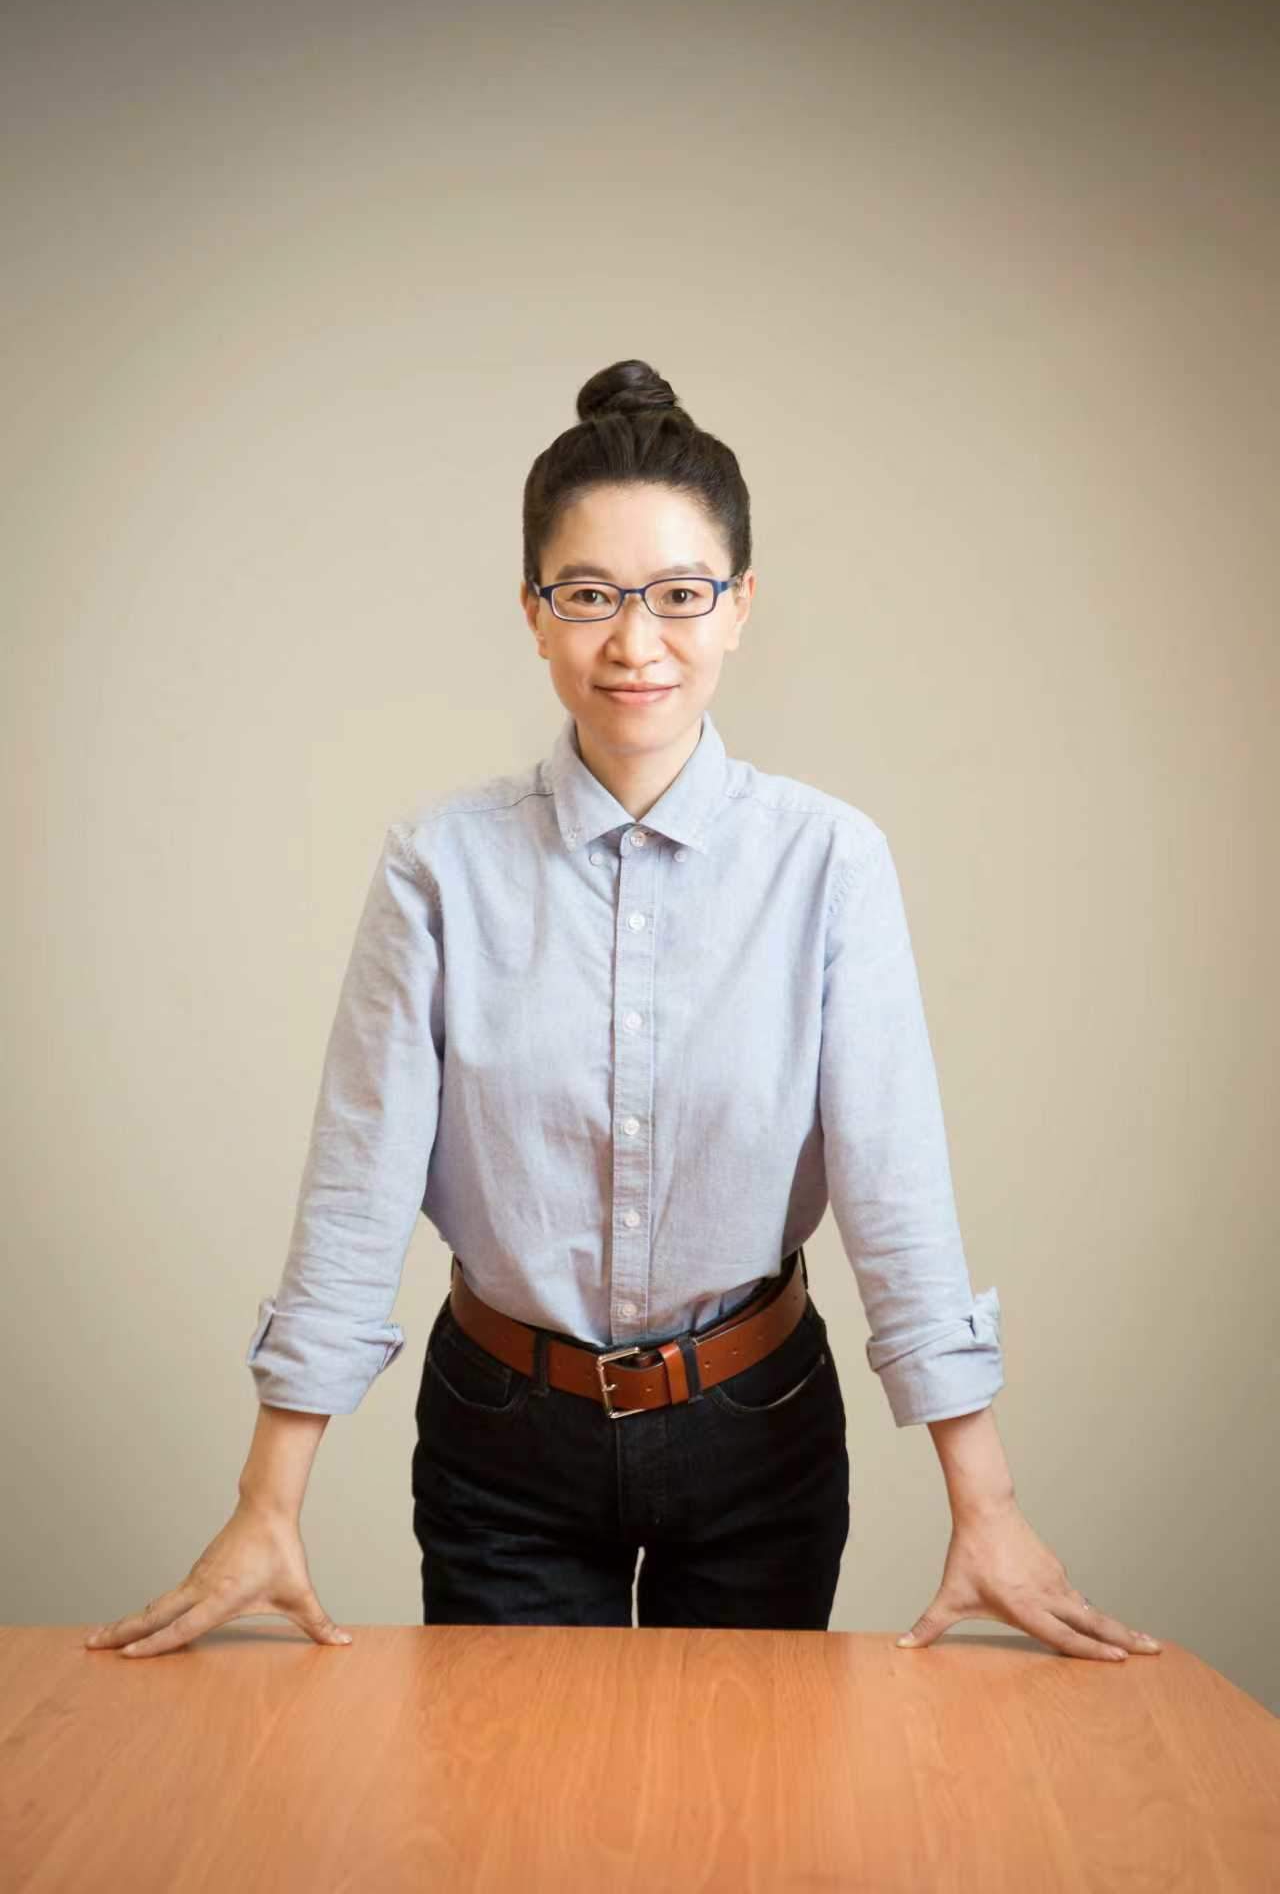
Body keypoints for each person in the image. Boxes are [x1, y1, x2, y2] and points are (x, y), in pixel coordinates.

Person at [85, 359, 1162, 1661]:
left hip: (759, 1427)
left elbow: (897, 1192)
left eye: (679, 595)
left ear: (740, 605)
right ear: (533, 612)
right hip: (502, 1437)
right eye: (589, 594)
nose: (634, 643)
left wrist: (986, 1508)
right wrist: (267, 1506)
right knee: (516, 1792)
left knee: (743, 1791)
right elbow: (357, 1189)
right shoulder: (439, 866)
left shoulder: (829, 863)